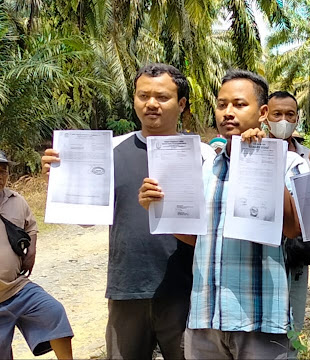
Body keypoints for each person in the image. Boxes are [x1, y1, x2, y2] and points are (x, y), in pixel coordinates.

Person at [42, 63, 215, 359]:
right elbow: (85, 221)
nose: (151, 104)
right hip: (126, 289)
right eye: (142, 95)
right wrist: (61, 179)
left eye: (162, 97)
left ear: (181, 103)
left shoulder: (204, 154)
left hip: (186, 292)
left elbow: (213, 226)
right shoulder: (109, 151)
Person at [139, 69, 305, 359]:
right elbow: (198, 238)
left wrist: (263, 159)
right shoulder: (205, 168)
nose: (228, 112)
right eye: (222, 104)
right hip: (205, 321)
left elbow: (293, 229)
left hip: (260, 320)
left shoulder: (288, 163)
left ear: (262, 112)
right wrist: (158, 209)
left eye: (239, 105)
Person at [265, 90, 310, 358]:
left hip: (298, 249)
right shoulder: (250, 151)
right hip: (262, 251)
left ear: (297, 118)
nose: (283, 120)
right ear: (264, 116)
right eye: (276, 114)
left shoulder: (309, 158)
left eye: (289, 114)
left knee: (294, 314)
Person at [0, 150, 73, 359]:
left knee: (54, 312)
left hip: (17, 288)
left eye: (3, 171)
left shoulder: (16, 200)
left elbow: (31, 227)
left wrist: (31, 251)